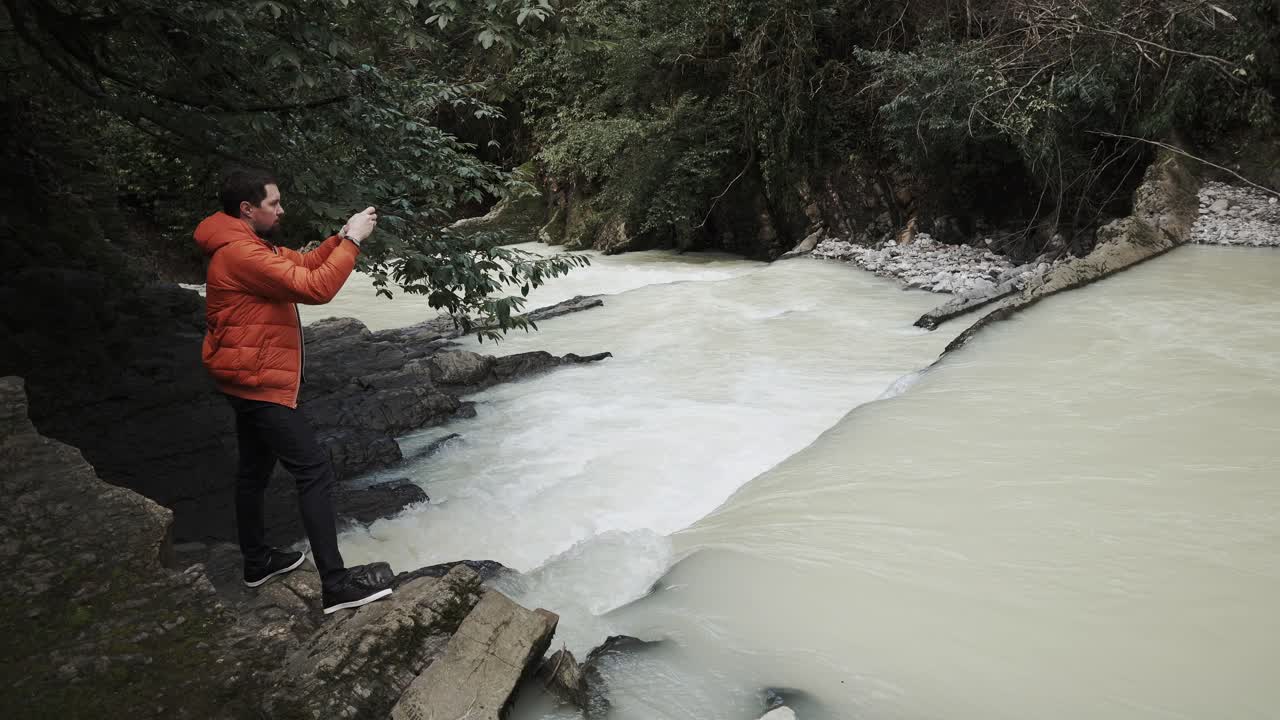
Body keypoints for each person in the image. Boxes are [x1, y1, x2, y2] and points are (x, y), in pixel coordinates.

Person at [194, 168, 394, 614]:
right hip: (259, 381)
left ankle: (257, 560)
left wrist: (338, 237)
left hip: (243, 375)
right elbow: (316, 287)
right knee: (314, 471)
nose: (281, 210)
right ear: (248, 209)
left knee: (254, 471)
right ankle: (336, 586)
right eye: (274, 203)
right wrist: (354, 243)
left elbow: (300, 265)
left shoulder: (243, 243)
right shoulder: (241, 253)